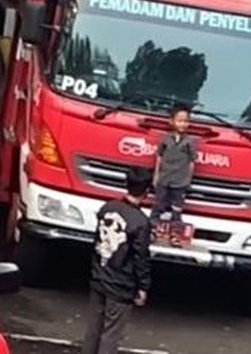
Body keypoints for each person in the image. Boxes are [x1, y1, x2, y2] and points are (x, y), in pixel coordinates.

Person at [82, 166, 151, 354]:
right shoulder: (140, 222)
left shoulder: (107, 208)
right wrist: (143, 286)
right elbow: (140, 257)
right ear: (146, 191)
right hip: (120, 285)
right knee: (111, 333)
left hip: (99, 276)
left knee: (93, 330)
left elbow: (96, 241)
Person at [150, 104, 197, 246]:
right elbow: (159, 157)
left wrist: (188, 179)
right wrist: (156, 175)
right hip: (164, 179)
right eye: (179, 121)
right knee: (158, 205)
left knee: (177, 209)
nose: (182, 124)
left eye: (185, 121)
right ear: (171, 121)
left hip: (180, 182)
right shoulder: (165, 140)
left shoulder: (190, 142)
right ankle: (153, 230)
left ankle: (175, 234)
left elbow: (192, 162)